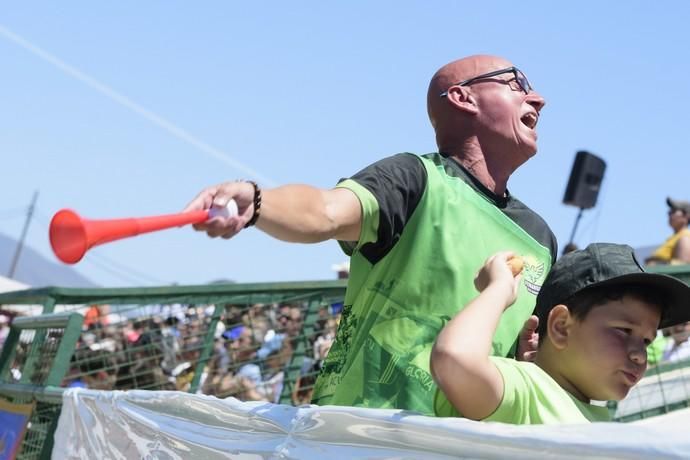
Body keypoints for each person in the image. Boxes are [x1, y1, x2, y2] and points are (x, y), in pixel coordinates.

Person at [184, 54, 556, 415]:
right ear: (462, 97)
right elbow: (324, 211)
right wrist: (259, 201)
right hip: (361, 436)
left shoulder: (541, 239)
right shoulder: (416, 179)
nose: (537, 98)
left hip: (467, 446)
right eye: (516, 83)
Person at [432, 243, 690, 424]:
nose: (639, 355)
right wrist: (499, 288)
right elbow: (454, 359)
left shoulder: (601, 421)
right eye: (624, 331)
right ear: (560, 327)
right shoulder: (526, 391)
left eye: (646, 341)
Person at [645, 197, 690, 265]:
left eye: (673, 211)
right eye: (669, 212)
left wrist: (655, 263)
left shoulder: (685, 238)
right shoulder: (673, 238)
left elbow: (683, 267)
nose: (669, 214)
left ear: (686, 216)